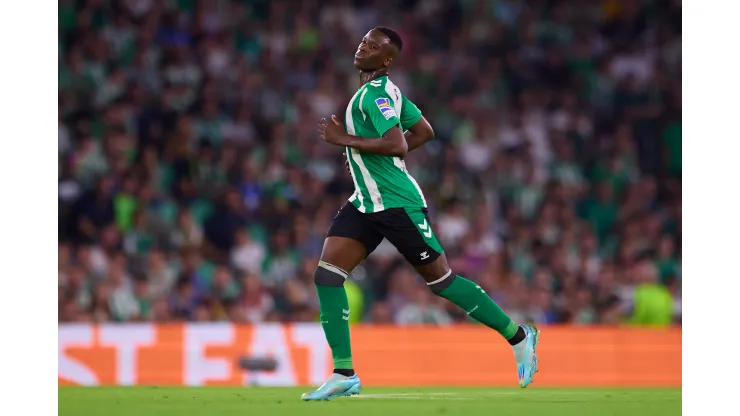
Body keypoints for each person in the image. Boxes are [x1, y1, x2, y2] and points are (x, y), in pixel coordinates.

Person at [301, 27, 540, 401]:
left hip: (397, 203)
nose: (363, 47)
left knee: (440, 282)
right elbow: (423, 131)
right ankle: (344, 372)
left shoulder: (377, 93)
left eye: (373, 46)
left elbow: (398, 141)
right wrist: (370, 158)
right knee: (327, 276)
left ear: (387, 60)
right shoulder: (385, 93)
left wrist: (344, 141)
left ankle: (519, 336)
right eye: (364, 41)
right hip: (366, 201)